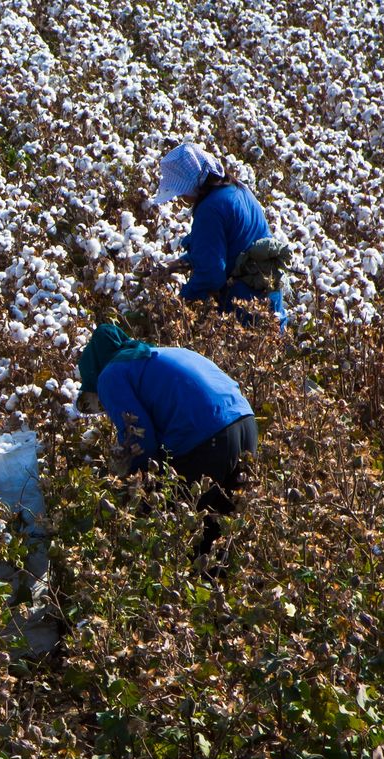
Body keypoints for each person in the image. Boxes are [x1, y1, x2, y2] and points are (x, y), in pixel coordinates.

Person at [78, 323, 258, 573]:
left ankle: (192, 604)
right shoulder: (160, 355)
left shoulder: (109, 374)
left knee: (182, 530)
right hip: (246, 425)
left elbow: (139, 437)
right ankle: (225, 603)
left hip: (205, 438)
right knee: (220, 534)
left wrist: (131, 487)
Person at [151, 142, 288, 329]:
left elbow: (211, 275)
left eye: (180, 191)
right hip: (269, 298)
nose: (180, 198)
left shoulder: (210, 209)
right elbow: (232, 244)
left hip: (244, 309)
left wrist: (177, 305)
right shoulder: (237, 190)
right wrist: (182, 263)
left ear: (191, 184)